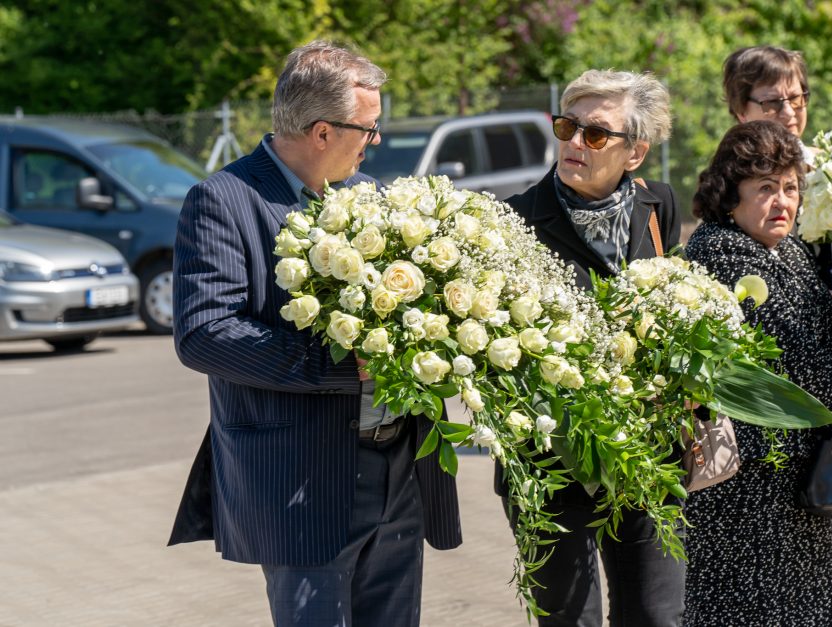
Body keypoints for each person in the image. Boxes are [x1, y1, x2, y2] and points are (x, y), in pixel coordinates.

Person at [166, 40, 461, 627]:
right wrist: (346, 369)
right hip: (304, 479)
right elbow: (205, 331)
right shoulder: (224, 201)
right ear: (323, 131)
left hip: (399, 465)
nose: (375, 143)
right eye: (368, 129)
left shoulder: (365, 198)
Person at [681, 120, 832, 626]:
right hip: (748, 498)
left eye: (790, 187)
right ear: (729, 194)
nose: (782, 201)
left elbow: (827, 361)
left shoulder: (784, 251)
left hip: (795, 490)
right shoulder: (724, 257)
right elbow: (803, 384)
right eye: (765, 188)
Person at [722, 44, 832, 626]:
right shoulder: (731, 188)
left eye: (797, 97)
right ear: (738, 108)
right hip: (778, 417)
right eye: (772, 99)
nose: (790, 110)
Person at [497, 69, 683, 627]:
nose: (575, 143)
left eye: (596, 134)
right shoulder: (514, 221)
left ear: (635, 153)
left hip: (645, 458)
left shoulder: (660, 207)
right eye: (567, 126)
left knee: (657, 616)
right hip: (552, 465)